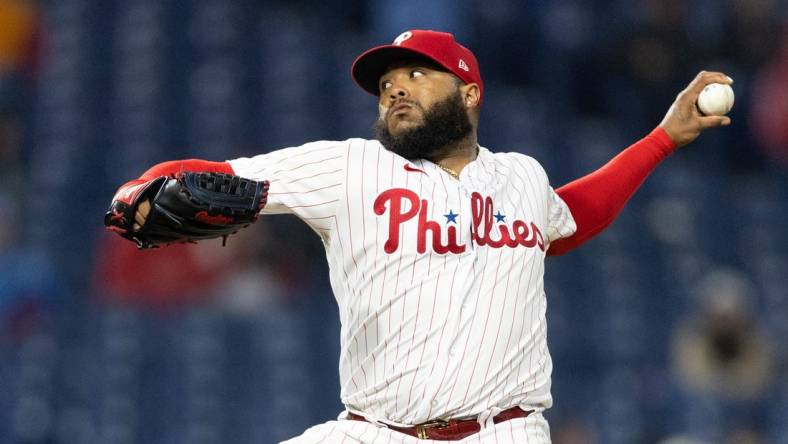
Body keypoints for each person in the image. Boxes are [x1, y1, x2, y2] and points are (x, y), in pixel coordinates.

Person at [105, 30, 732, 443]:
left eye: (414, 74)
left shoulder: (520, 176)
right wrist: (143, 187)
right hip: (374, 431)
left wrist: (661, 141)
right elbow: (220, 176)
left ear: (469, 93)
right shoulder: (351, 166)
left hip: (503, 432)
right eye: (385, 85)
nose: (394, 88)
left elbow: (569, 217)